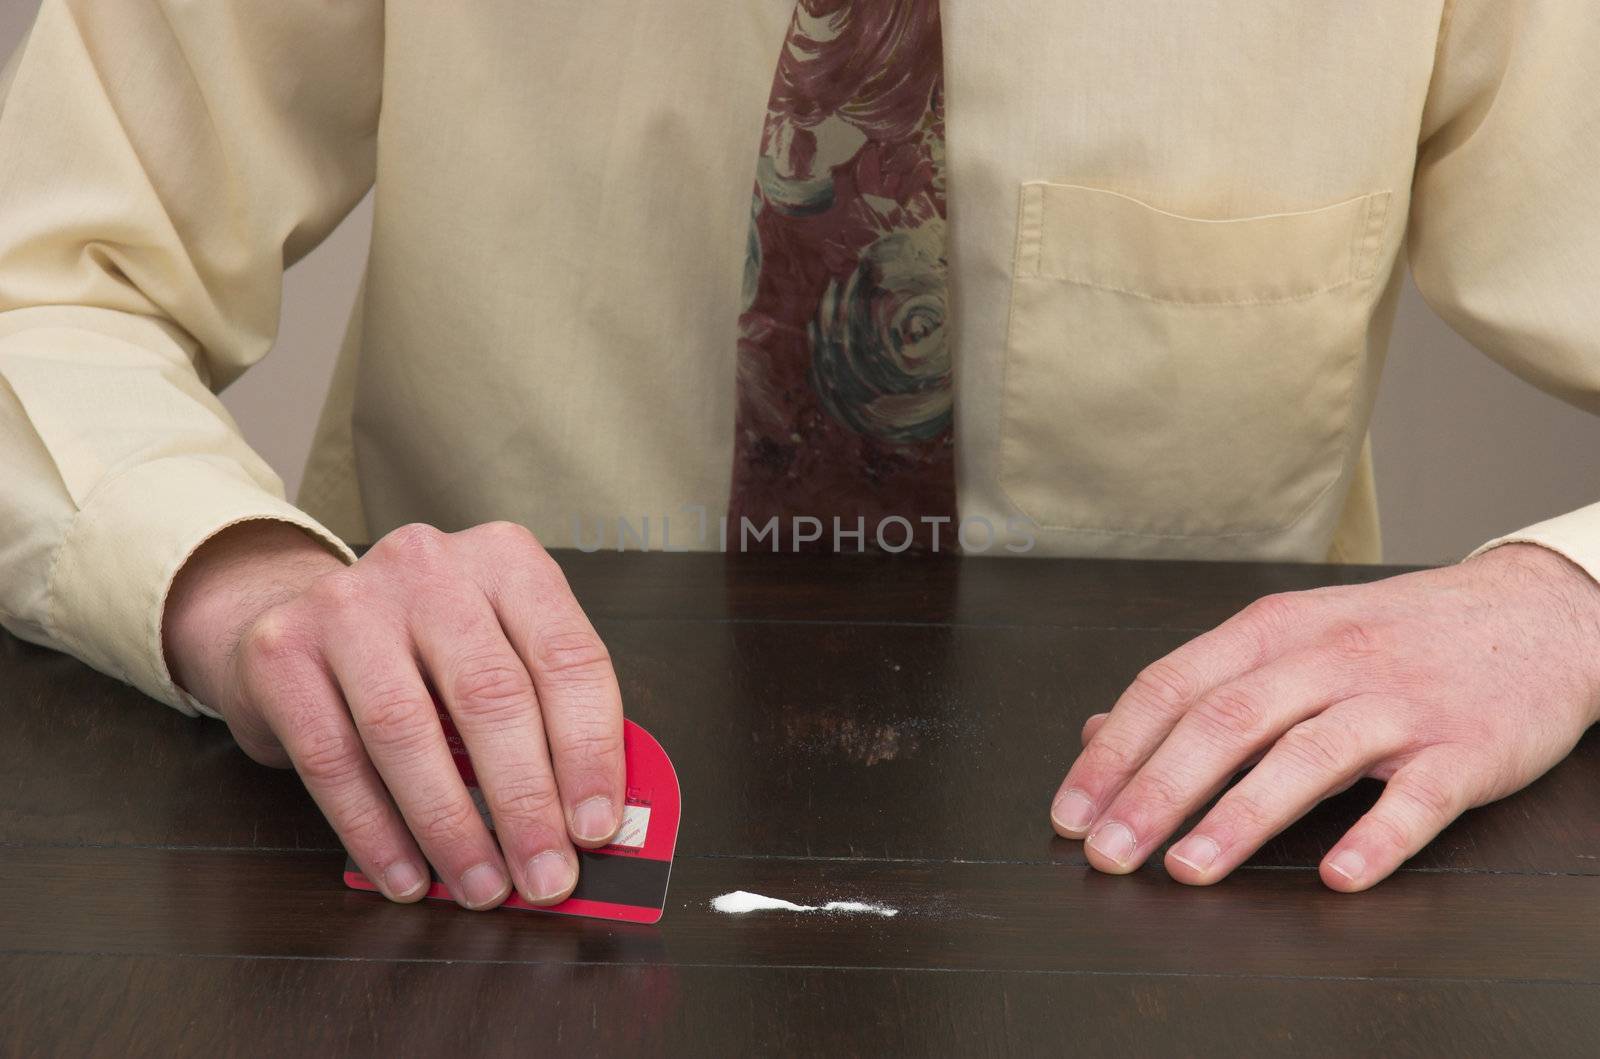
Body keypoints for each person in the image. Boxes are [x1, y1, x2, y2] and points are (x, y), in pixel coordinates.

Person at [1, 0, 1596, 911]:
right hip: (473, 889)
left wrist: (1559, 601)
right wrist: (244, 580)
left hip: (1207, 910)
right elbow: (38, 286)